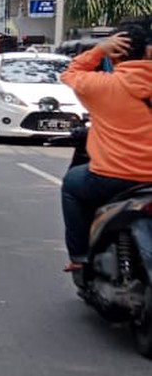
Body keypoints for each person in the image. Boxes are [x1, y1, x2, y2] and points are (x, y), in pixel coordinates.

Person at [59, 21, 152, 271]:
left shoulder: (101, 86)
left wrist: (99, 50)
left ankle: (79, 257)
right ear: (148, 51)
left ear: (113, 55)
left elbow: (70, 73)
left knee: (71, 185)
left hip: (112, 179)